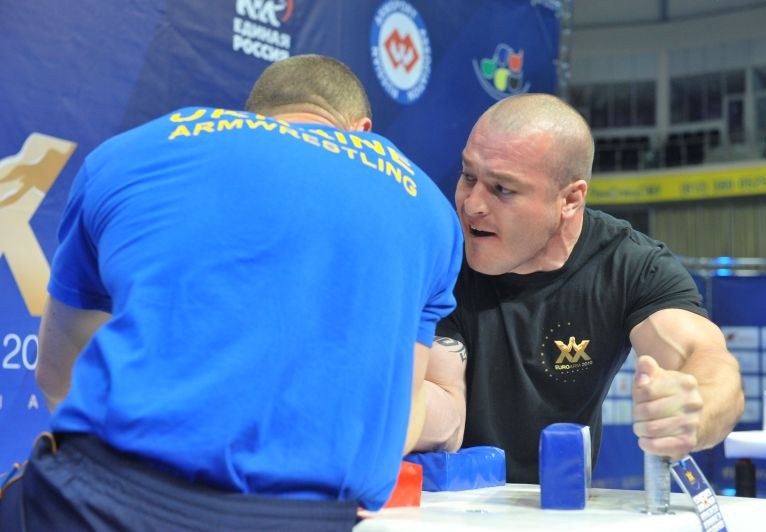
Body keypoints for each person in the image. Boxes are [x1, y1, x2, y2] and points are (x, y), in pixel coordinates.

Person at [0, 54, 463, 530]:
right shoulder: (428, 207)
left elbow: (57, 371)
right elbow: (397, 418)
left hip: (102, 503)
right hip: (307, 519)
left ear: (252, 118)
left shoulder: (137, 150)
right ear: (361, 130)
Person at [414, 93, 744, 485]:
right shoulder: (438, 256)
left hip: (562, 512)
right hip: (435, 508)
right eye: (469, 176)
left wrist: (694, 409)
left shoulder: (627, 265)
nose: (472, 205)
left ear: (570, 199)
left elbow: (707, 360)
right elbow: (444, 404)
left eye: (502, 189)